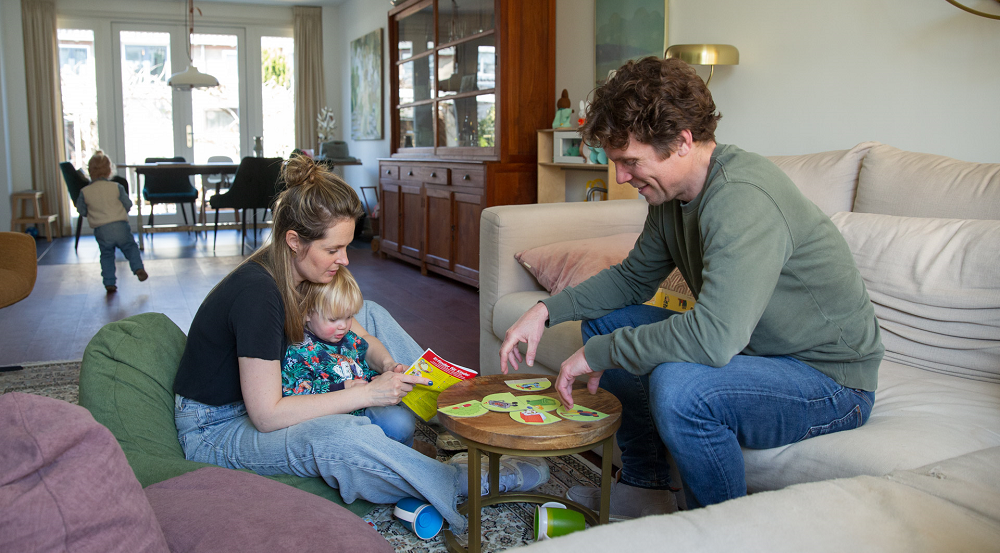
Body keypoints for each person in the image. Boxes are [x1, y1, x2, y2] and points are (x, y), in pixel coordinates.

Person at [499, 57, 883, 517]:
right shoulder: (671, 195)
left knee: (681, 388)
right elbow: (632, 278)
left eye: (630, 161)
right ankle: (646, 488)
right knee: (609, 320)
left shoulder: (742, 198)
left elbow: (715, 337)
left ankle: (717, 533)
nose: (621, 177)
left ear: (682, 142)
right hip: (757, 348)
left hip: (830, 381)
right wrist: (544, 311)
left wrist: (601, 353)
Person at [173, 155, 549, 533]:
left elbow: (355, 324)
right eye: (333, 250)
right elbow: (267, 415)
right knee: (338, 438)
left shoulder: (294, 267)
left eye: (347, 247)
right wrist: (368, 394)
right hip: (218, 428)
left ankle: (450, 407)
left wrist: (387, 365)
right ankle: (457, 481)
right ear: (293, 241)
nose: (345, 260)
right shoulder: (259, 295)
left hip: (261, 395)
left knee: (368, 314)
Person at [282, 265, 418, 448]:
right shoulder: (299, 351)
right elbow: (297, 392)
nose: (343, 326)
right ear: (306, 312)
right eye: (333, 319)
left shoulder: (349, 338)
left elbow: (361, 367)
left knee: (402, 420)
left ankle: (405, 453)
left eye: (349, 317)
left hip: (363, 406)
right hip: (333, 418)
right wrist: (342, 386)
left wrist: (381, 375)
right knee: (397, 424)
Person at [77, 150, 147, 293]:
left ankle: (109, 282)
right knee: (130, 247)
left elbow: (82, 210)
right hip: (120, 225)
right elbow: (127, 204)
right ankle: (138, 268)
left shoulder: (85, 191)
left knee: (107, 255)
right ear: (109, 170)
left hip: (102, 230)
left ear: (90, 171)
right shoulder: (117, 187)